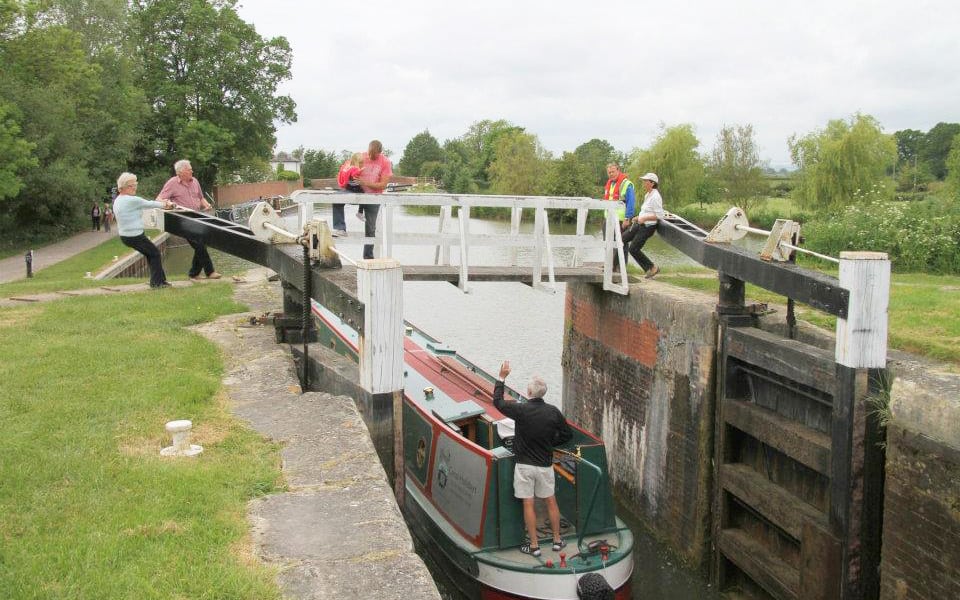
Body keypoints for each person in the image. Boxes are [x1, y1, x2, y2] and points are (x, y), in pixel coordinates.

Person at [493, 360, 573, 557]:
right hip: (545, 465)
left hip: (524, 466)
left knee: (528, 504)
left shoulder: (521, 411)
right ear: (543, 394)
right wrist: (551, 443)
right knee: (550, 501)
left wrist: (502, 377)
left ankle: (535, 546)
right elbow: (567, 435)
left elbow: (498, 402)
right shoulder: (553, 412)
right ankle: (556, 541)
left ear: (528, 393)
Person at [157, 159, 222, 281]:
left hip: (197, 218)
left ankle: (194, 274)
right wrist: (169, 203)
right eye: (189, 169)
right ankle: (210, 271)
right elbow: (159, 199)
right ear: (181, 172)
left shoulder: (195, 181)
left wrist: (206, 204)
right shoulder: (172, 183)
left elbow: (201, 198)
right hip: (183, 220)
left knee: (201, 244)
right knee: (199, 245)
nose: (192, 171)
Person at [332, 140, 393, 259]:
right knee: (336, 198)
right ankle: (340, 228)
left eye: (373, 155)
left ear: (380, 153)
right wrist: (346, 176)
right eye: (369, 153)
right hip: (355, 190)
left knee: (370, 229)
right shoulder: (361, 156)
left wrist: (366, 183)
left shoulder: (385, 162)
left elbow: (383, 185)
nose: (370, 157)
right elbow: (345, 168)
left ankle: (368, 258)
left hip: (373, 196)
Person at [113, 172, 175, 289]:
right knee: (155, 254)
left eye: (135, 185)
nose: (135, 187)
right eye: (133, 185)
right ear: (126, 187)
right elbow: (149, 204)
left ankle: (161, 281)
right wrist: (167, 204)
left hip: (126, 236)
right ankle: (157, 284)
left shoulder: (118, 200)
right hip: (134, 236)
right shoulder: (131, 200)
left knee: (151, 254)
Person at [621, 172, 665, 279]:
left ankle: (652, 267)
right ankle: (617, 267)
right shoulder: (647, 195)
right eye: (644, 181)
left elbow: (659, 215)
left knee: (633, 249)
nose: (644, 183)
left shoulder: (656, 196)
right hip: (639, 224)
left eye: (645, 181)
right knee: (622, 239)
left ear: (652, 183)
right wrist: (638, 217)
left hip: (648, 227)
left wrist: (644, 218)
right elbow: (646, 211)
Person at [334, 152, 365, 233]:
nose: (362, 164)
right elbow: (355, 174)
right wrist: (362, 171)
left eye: (363, 162)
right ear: (355, 162)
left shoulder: (348, 168)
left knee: (367, 197)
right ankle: (340, 228)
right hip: (353, 190)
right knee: (336, 199)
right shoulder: (354, 169)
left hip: (354, 190)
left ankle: (360, 213)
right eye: (361, 162)